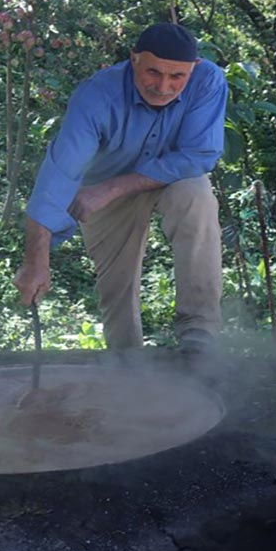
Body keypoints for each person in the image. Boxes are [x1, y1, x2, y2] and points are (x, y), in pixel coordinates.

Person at [12, 23, 229, 354]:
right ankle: (126, 363)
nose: (163, 87)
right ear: (133, 59)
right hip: (101, 193)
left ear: (194, 68)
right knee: (117, 284)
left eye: (177, 76)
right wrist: (36, 261)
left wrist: (115, 187)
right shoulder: (97, 95)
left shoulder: (208, 80)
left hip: (167, 180)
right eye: (153, 72)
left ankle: (199, 336)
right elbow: (58, 176)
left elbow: (200, 155)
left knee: (196, 196)